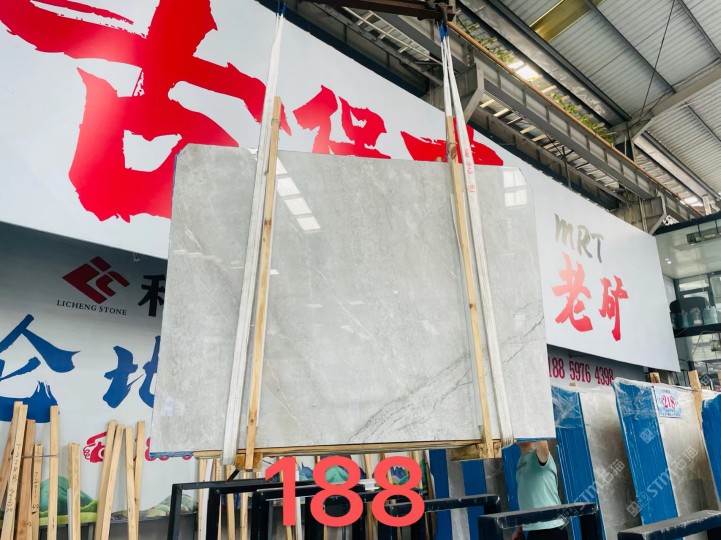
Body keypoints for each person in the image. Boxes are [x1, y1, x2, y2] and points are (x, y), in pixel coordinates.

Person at [511, 441, 567, 540]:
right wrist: (519, 528)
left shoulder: (538, 454)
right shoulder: (521, 460)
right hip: (533, 529)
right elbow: (527, 496)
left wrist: (531, 432)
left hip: (551, 528)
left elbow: (544, 448)